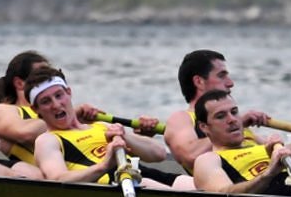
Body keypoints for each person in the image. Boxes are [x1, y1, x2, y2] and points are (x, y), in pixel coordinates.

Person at [164, 49, 291, 174]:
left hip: (273, 177)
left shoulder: (236, 123)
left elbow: (280, 155)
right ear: (199, 81)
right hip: (244, 186)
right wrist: (239, 122)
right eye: (221, 76)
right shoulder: (182, 118)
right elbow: (190, 156)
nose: (230, 83)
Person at [27, 65, 182, 187]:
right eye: (46, 101)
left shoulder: (101, 126)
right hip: (116, 183)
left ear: (68, 92)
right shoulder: (47, 140)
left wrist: (125, 137)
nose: (56, 105)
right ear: (35, 109)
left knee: (189, 183)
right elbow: (58, 179)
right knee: (149, 183)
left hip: (140, 174)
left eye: (59, 95)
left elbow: (159, 154)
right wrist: (104, 165)